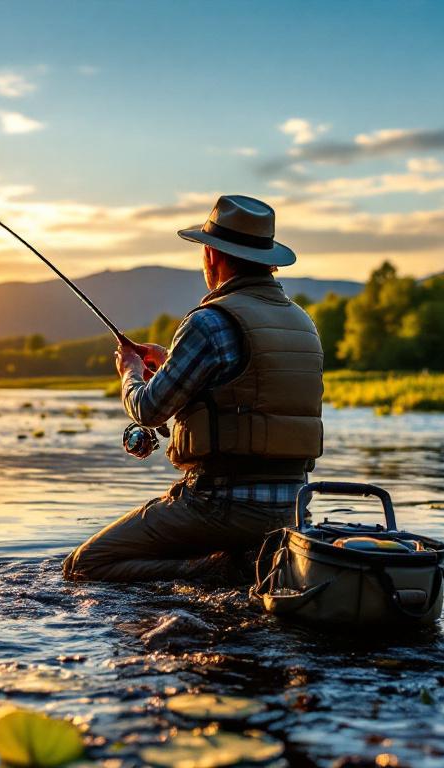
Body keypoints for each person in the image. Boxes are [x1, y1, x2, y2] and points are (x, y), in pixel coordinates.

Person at [62, 195, 324, 582]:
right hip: (292, 512)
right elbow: (250, 388)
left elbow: (149, 410)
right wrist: (170, 358)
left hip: (219, 507)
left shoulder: (209, 322)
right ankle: (245, 564)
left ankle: (212, 570)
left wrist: (130, 371)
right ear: (269, 260)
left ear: (213, 256)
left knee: (85, 565)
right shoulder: (302, 323)